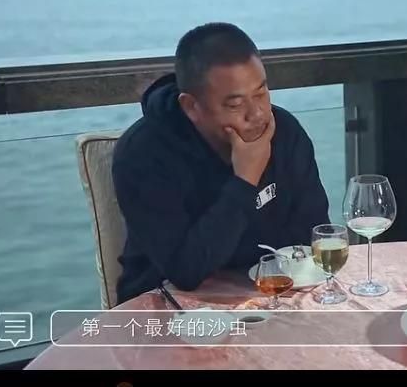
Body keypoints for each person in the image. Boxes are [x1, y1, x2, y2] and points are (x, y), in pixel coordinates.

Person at [112, 22, 330, 303]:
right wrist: (246, 180)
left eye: (261, 93)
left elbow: (314, 235)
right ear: (192, 107)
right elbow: (186, 271)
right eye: (235, 104)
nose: (257, 114)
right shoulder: (143, 154)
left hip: (268, 294)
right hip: (166, 302)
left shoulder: (285, 131)